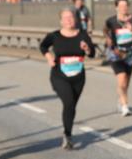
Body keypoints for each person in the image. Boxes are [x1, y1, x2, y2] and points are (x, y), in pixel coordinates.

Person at [39, 9, 96, 150]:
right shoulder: (54, 35)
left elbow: (92, 53)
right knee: (69, 101)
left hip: (78, 76)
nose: (69, 20)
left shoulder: (82, 35)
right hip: (59, 75)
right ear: (61, 21)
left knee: (71, 106)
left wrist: (87, 48)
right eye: (65, 18)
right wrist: (48, 57)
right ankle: (68, 137)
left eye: (71, 17)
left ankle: (67, 133)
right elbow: (43, 45)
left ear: (75, 19)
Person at [103, 0, 132, 116]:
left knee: (126, 83)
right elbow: (106, 31)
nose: (123, 8)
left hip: (130, 54)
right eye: (121, 6)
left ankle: (121, 100)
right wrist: (110, 43)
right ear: (116, 7)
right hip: (116, 54)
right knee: (122, 79)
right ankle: (125, 106)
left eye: (125, 6)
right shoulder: (111, 21)